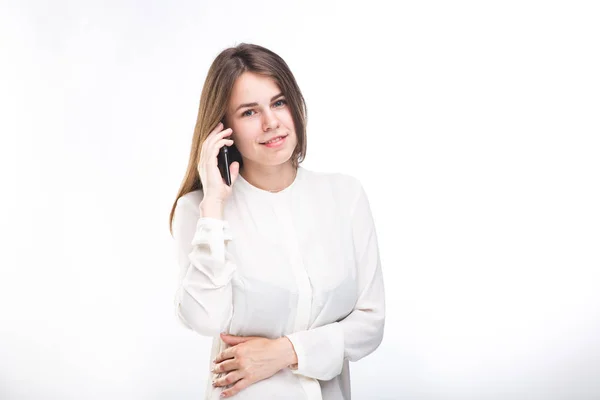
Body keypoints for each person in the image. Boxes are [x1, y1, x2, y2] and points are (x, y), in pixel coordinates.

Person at [168, 43, 385, 400]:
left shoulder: (345, 195)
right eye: (250, 112)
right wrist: (214, 205)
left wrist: (284, 352)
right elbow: (205, 318)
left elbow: (370, 324)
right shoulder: (200, 210)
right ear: (224, 129)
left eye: (279, 102)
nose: (271, 123)